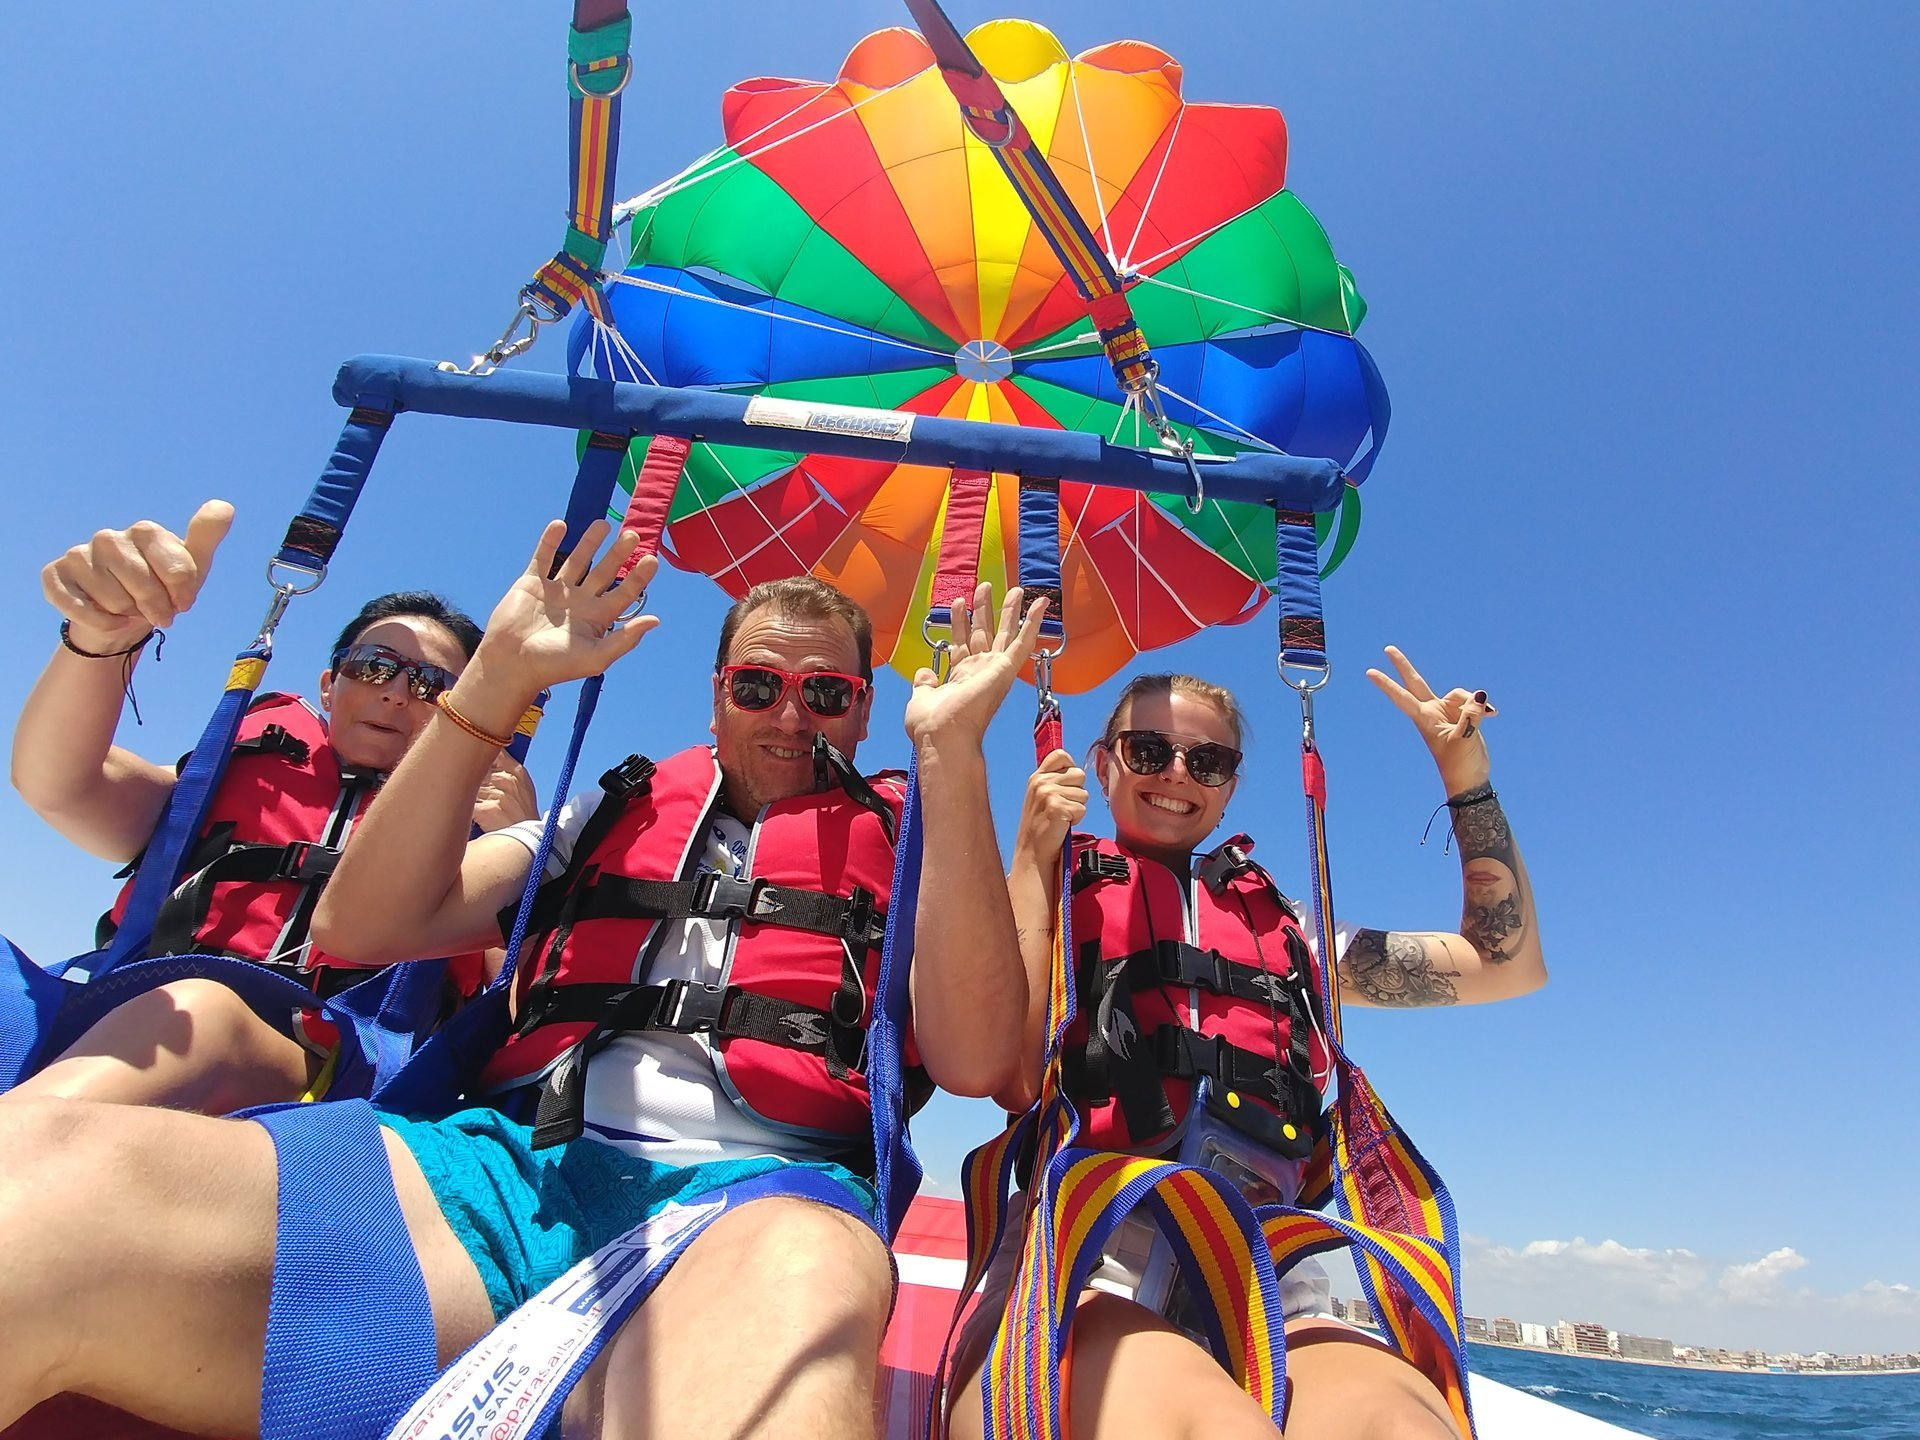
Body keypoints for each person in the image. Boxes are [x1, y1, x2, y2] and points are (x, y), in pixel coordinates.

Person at [0, 518, 1040, 1440]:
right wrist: (493, 678)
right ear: (717, 696)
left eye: (828, 693)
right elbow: (362, 925)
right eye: (758, 686)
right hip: (501, 1173)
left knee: (797, 1293)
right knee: (47, 1178)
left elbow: (980, 1062)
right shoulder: (607, 812)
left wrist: (953, 759)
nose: (791, 716)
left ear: (863, 710)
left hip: (758, 1204)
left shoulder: (919, 848)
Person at [951, 648, 1545, 1440]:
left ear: (1230, 787)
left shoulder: (1293, 936)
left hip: (1265, 1276)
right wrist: (1031, 859)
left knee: (1407, 1427)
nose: (1178, 773)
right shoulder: (1053, 893)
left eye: (1209, 761)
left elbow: (1503, 965)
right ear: (1102, 762)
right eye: (1149, 750)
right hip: (1085, 1255)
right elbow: (1011, 1077)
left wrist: (1465, 776)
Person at [5, 500, 534, 1113]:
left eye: (429, 684)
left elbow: (514, 1004)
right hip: (131, 1003)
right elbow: (62, 784)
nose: (394, 692)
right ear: (329, 687)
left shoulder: (480, 834)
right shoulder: (230, 773)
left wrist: (524, 857)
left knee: (205, 1016)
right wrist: (100, 641)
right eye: (375, 667)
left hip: (338, 1060)